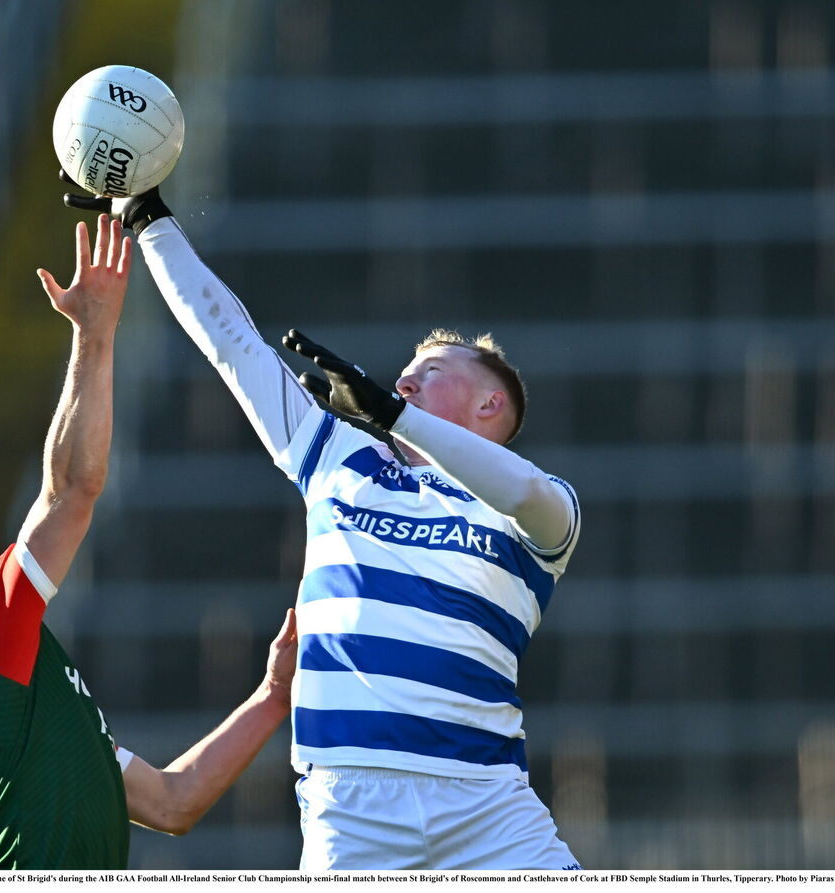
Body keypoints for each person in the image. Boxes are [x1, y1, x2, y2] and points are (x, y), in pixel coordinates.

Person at [62, 183, 582, 870]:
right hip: (352, 807)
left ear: (492, 400)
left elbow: (524, 487)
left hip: (487, 806)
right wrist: (147, 219)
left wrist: (396, 418)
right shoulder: (342, 457)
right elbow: (233, 344)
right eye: (404, 376)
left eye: (429, 371)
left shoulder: (538, 508)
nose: (404, 382)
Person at [0, 215, 298, 870]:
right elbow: (71, 490)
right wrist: (94, 331)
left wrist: (273, 694)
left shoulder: (21, 689)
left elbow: (175, 800)